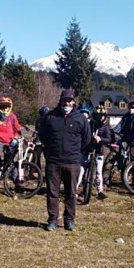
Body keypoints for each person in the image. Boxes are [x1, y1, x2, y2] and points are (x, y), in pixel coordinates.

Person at [38, 89, 91, 231]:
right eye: (64, 100)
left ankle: (69, 220)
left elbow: (86, 139)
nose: (67, 103)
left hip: (72, 162)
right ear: (60, 100)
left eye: (69, 100)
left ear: (73, 102)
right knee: (52, 192)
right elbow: (42, 136)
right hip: (53, 162)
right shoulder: (50, 117)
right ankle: (52, 220)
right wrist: (50, 152)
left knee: (71, 193)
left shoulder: (81, 119)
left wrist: (76, 153)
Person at [0, 96, 22, 182]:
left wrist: (15, 137)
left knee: (11, 159)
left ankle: (14, 178)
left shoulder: (12, 116)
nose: (5, 108)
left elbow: (17, 129)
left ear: (10, 107)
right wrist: (0, 121)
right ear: (0, 107)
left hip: (10, 141)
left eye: (7, 106)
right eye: (3, 106)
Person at [91, 105, 114, 200]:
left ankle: (100, 190)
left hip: (99, 151)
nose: (100, 117)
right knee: (82, 170)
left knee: (98, 171)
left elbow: (109, 139)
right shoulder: (90, 125)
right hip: (88, 150)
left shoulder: (105, 127)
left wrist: (100, 139)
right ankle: (76, 189)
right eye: (98, 115)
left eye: (102, 115)